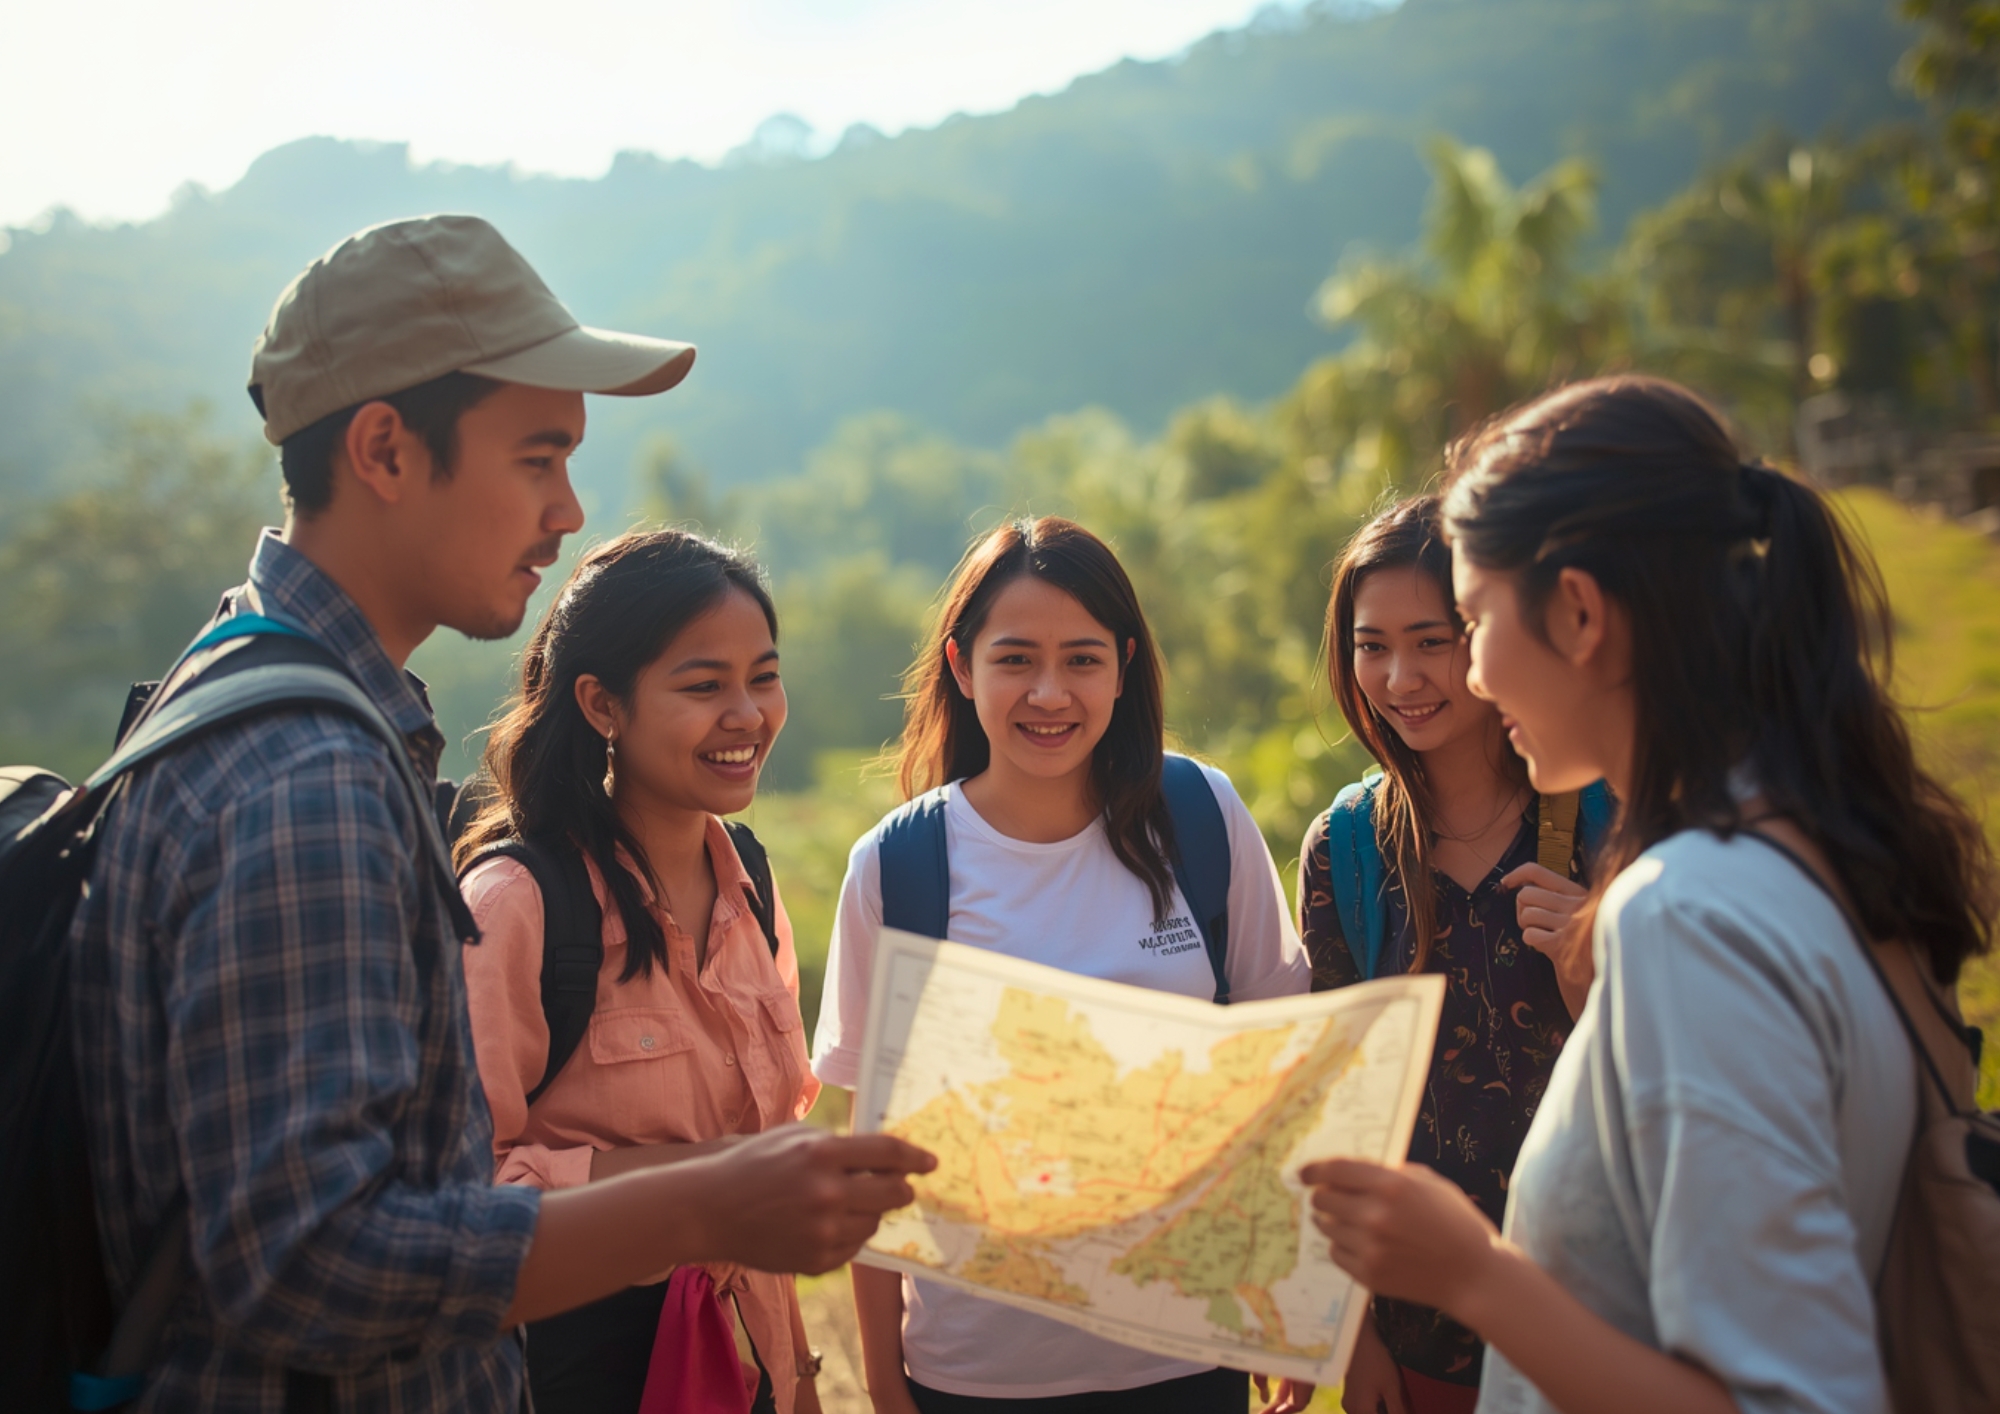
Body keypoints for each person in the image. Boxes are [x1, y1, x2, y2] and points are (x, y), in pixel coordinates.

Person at [67, 214, 932, 1412]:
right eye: (537, 457)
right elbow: (308, 1268)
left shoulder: (245, 687)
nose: (569, 510)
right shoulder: (308, 778)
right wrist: (702, 1201)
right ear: (384, 450)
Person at [1304, 374, 1996, 1414]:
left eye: (1474, 619)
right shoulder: (1802, 846)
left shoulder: (1687, 918)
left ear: (1577, 612)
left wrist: (1470, 1274)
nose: (1475, 674)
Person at [811, 516, 1314, 1414]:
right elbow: (872, 1156)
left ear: (1124, 667)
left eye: (1082, 659)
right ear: (963, 670)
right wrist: (887, 1389)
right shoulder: (898, 867)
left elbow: (1276, 1076)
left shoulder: (1199, 816)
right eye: (1016, 660)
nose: (1050, 692)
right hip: (974, 1374)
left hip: (1186, 1354)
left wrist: (1290, 1306)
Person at [457, 527, 826, 1414]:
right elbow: (460, 1195)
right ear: (602, 704)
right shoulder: (517, 905)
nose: (746, 714)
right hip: (578, 1370)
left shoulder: (751, 880)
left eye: (763, 678)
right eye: (703, 686)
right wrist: (707, 1185)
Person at [1299, 496, 1593, 1414]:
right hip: (1415, 1327)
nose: (1400, 676)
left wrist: (1601, 964)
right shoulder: (1345, 849)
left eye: (1433, 641)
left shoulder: (1606, 818)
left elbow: (1688, 1073)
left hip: (1599, 1306)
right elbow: (1334, 1107)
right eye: (1370, 644)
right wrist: (1353, 1331)